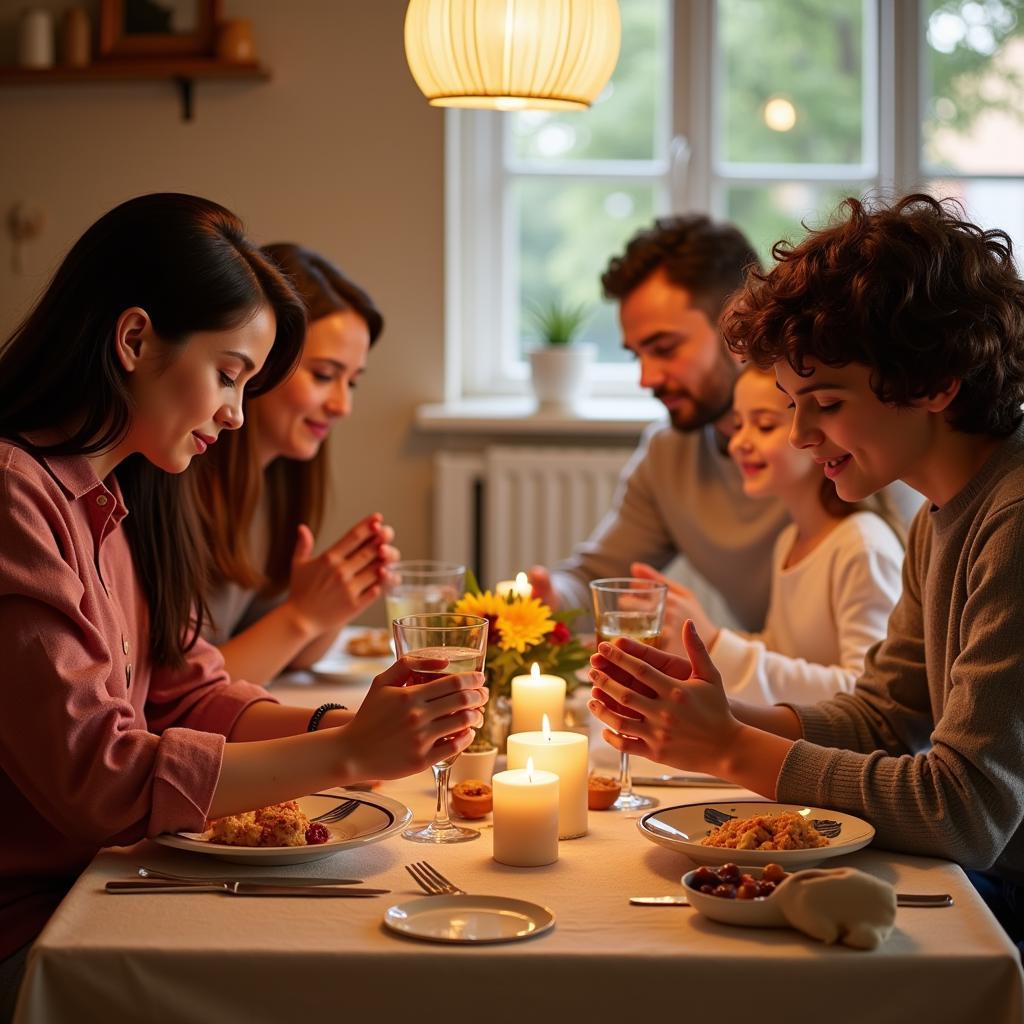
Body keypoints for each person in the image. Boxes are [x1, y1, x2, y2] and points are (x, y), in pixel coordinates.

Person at [0, 194, 487, 1018]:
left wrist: (348, 731)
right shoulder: (16, 496)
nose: (234, 412)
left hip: (115, 879)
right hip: (34, 925)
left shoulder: (129, 496)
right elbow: (99, 780)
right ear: (133, 339)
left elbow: (188, 690)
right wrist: (345, 757)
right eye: (228, 375)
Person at [587, 193, 1024, 951]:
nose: (798, 433)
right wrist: (715, 718)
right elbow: (885, 719)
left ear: (935, 381)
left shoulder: (1013, 519)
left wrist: (726, 750)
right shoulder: (937, 516)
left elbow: (966, 810)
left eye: (822, 401)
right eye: (790, 402)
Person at [527, 215, 919, 635]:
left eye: (664, 348)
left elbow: (898, 653)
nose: (646, 378)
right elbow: (594, 582)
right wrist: (546, 599)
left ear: (738, 323)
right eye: (636, 355)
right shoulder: (668, 453)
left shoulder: (851, 439)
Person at [189, 243, 397, 685]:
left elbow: (284, 656)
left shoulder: (274, 483)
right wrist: (302, 615)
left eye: (352, 382)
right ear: (262, 363)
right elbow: (181, 694)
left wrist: (340, 601)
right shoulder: (183, 482)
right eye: (324, 375)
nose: (343, 405)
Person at [639, 364, 904, 705]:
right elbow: (781, 652)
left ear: (813, 432)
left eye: (763, 425)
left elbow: (868, 693)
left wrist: (718, 643)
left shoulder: (861, 547)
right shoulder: (790, 541)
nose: (738, 443)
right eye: (738, 425)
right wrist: (697, 644)